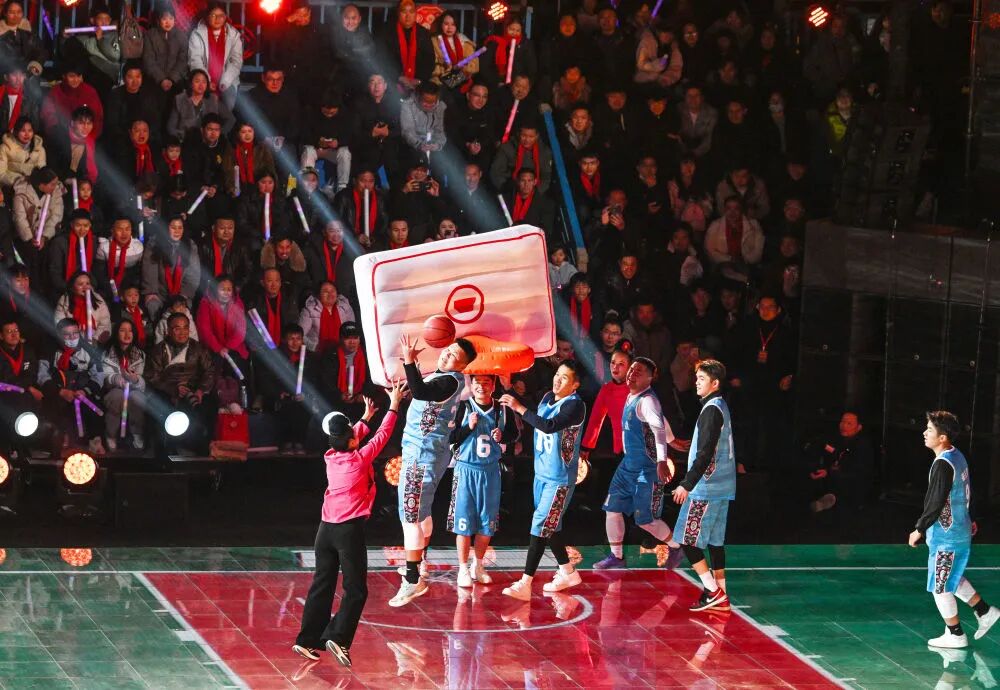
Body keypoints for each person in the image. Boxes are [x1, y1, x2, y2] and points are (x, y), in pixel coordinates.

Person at [292, 380, 405, 667]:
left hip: (324, 531)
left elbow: (353, 435)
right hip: (347, 531)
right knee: (356, 589)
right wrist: (394, 405)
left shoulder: (331, 456)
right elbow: (382, 436)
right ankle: (338, 637)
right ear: (352, 441)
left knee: (322, 584)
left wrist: (365, 417)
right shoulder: (359, 460)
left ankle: (306, 640)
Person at [389, 332, 476, 608]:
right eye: (448, 349)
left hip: (422, 456)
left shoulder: (449, 380)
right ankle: (421, 563)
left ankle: (413, 579)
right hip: (430, 453)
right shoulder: (445, 378)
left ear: (463, 366)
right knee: (422, 512)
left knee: (410, 517)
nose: (447, 354)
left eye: (455, 355)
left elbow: (422, 392)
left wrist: (408, 361)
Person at [909, 410, 999, 648]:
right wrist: (971, 517)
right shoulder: (956, 455)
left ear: (942, 437)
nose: (924, 432)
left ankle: (956, 634)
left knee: (939, 586)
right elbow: (966, 490)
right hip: (960, 529)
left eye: (929, 429)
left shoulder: (943, 464)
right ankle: (984, 611)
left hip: (947, 536)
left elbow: (936, 501)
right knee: (951, 577)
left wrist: (919, 528)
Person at [499, 359, 587, 600]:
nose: (558, 380)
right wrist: (508, 388)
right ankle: (568, 572)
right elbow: (529, 408)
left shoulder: (575, 406)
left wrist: (519, 408)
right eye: (557, 374)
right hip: (541, 473)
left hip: (559, 478)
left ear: (575, 385)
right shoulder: (548, 397)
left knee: (540, 525)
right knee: (550, 525)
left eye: (565, 378)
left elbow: (549, 426)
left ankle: (525, 583)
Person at [594, 357, 688, 569]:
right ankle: (616, 557)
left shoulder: (648, 401)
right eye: (632, 369)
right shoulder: (632, 396)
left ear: (650, 378)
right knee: (612, 508)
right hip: (627, 465)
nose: (632, 373)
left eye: (639, 371)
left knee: (645, 521)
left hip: (647, 469)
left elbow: (658, 428)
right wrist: (673, 440)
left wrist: (662, 460)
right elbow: (661, 421)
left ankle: (675, 547)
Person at [672, 359, 735, 612]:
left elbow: (705, 452)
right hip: (723, 487)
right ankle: (722, 593)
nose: (696, 382)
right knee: (715, 542)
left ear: (715, 383)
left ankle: (712, 591)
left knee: (687, 540)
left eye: (701, 379)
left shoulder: (711, 409)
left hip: (706, 489)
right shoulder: (721, 405)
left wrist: (687, 484)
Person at [448, 374, 519, 588]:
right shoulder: (463, 407)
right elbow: (451, 437)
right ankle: (462, 568)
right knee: (463, 523)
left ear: (493, 385)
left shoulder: (502, 409)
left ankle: (478, 565)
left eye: (486, 382)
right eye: (477, 382)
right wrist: (468, 427)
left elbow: (514, 434)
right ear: (471, 385)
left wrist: (502, 437)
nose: (481, 386)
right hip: (465, 470)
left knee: (487, 523)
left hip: (490, 471)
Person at [188, 2, 244, 111]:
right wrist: (206, 81)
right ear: (207, 16)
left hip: (227, 80)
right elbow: (195, 59)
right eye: (213, 15)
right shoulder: (197, 34)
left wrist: (224, 82)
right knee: (201, 105)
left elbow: (236, 62)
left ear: (225, 17)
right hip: (203, 78)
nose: (217, 19)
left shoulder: (233, 35)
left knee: (227, 102)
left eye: (221, 16)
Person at [101, 318, 145, 452]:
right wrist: (117, 378)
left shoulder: (140, 355)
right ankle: (111, 434)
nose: (127, 334)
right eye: (122, 330)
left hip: (133, 389)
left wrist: (135, 379)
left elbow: (143, 382)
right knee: (117, 396)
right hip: (114, 389)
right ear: (116, 333)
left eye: (130, 331)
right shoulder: (107, 354)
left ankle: (137, 433)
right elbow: (106, 376)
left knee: (137, 398)